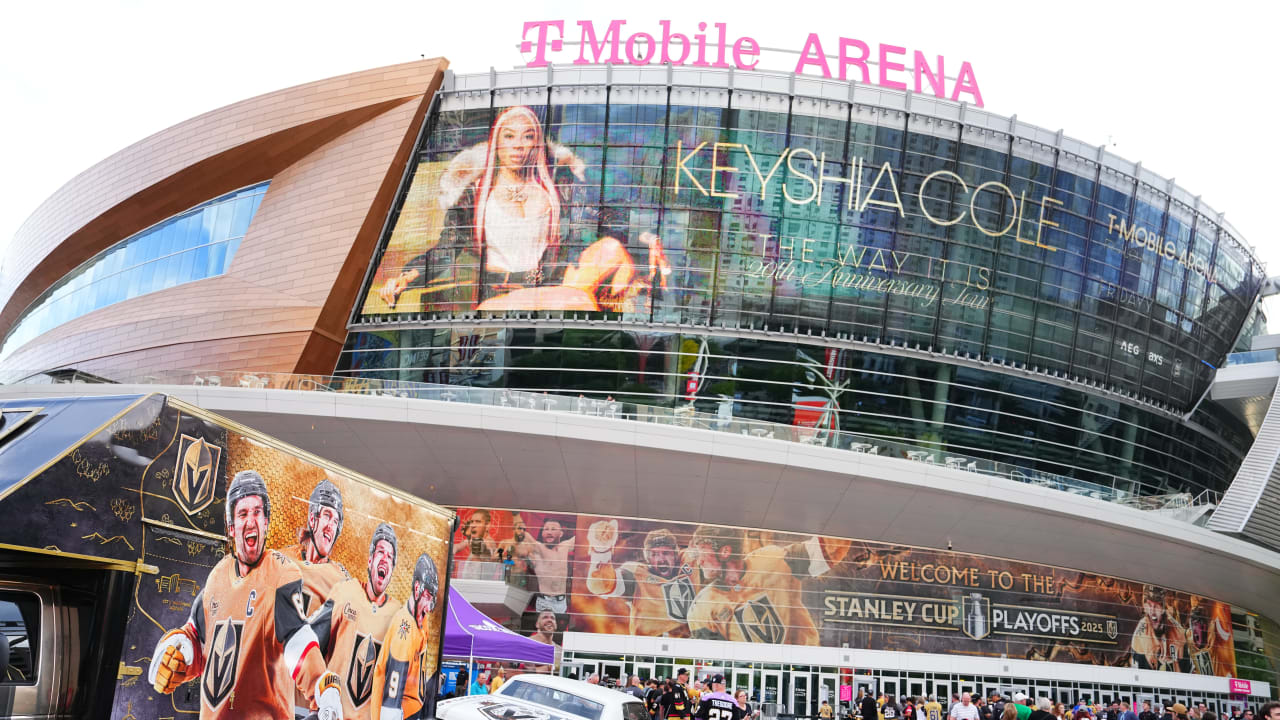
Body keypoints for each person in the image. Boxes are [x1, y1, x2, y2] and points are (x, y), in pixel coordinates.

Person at [377, 104, 672, 314]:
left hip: (552, 283)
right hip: (502, 292)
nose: (519, 145)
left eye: (528, 136)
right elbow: (446, 248)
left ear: (537, 144)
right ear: (497, 143)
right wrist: (407, 276)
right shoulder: (476, 195)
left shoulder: (561, 189)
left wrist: (646, 238)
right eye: (509, 136)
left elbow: (606, 219)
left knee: (609, 253)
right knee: (576, 301)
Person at [147, 470, 341, 720]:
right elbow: (197, 636)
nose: (251, 521)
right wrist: (177, 650)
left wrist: (322, 686)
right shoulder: (218, 576)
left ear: (266, 522)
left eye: (257, 512)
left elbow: (296, 639)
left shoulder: (280, 573)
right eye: (243, 513)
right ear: (231, 526)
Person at [685, 525, 850, 644]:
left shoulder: (772, 559)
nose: (698, 561)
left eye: (702, 552)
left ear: (725, 551)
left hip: (802, 665)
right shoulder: (701, 608)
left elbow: (827, 550)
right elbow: (711, 660)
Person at [319, 522, 403, 719]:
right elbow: (313, 648)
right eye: (381, 552)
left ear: (392, 570)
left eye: (390, 557)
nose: (385, 559)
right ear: (370, 560)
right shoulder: (345, 592)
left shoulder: (397, 615)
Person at [372, 553, 441, 720]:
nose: (429, 608)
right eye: (428, 598)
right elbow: (393, 689)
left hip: (412, 711)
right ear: (417, 589)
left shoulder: (421, 621)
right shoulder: (405, 627)